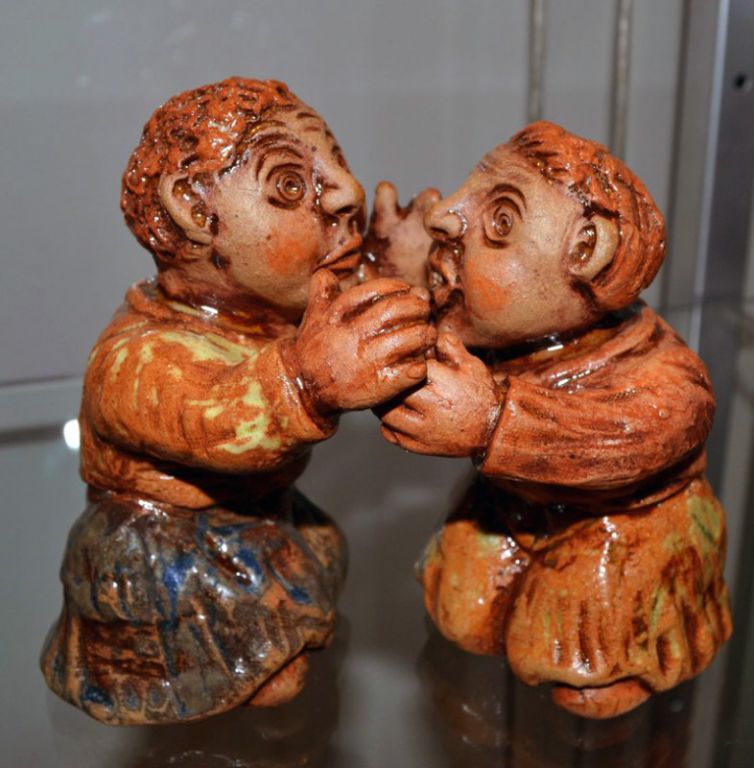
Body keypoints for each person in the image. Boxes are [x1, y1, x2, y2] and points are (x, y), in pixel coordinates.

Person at [41, 78, 434, 724]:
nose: (348, 190)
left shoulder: (277, 300)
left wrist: (394, 270)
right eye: (290, 184)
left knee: (322, 556)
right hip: (165, 545)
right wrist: (306, 382)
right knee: (252, 640)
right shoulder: (138, 356)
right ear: (195, 210)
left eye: (336, 162)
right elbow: (214, 417)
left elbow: (354, 310)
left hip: (257, 514)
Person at [371, 121, 732, 718]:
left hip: (620, 525)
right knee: (463, 616)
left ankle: (627, 658)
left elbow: (623, 440)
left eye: (500, 220)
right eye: (467, 192)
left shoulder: (665, 376)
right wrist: (399, 277)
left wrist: (495, 422)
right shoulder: (502, 330)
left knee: (578, 654)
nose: (445, 215)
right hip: (513, 506)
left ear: (586, 254)